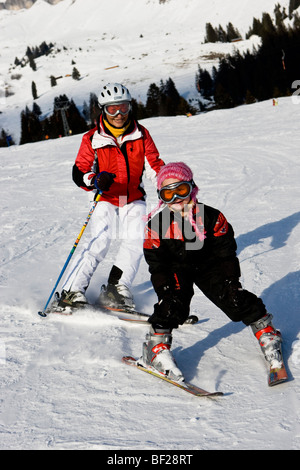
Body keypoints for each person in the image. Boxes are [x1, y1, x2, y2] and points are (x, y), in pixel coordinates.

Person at [140, 161, 283, 382]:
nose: (177, 198)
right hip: (175, 269)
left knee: (233, 298)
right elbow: (157, 263)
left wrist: (231, 281)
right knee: (172, 305)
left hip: (209, 265)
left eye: (181, 190)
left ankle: (266, 331)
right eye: (168, 194)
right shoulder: (156, 225)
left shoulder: (211, 217)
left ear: (192, 187)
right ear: (161, 197)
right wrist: (165, 289)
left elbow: (225, 252)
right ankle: (155, 347)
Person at [59, 83, 164, 311]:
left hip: (133, 196)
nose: (119, 115)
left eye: (124, 108)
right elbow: (79, 171)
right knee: (101, 241)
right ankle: (72, 290)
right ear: (102, 110)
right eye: (112, 109)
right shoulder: (92, 138)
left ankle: (116, 288)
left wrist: (168, 183)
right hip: (105, 197)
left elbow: (154, 164)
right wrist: (94, 180)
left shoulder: (141, 133)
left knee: (136, 240)